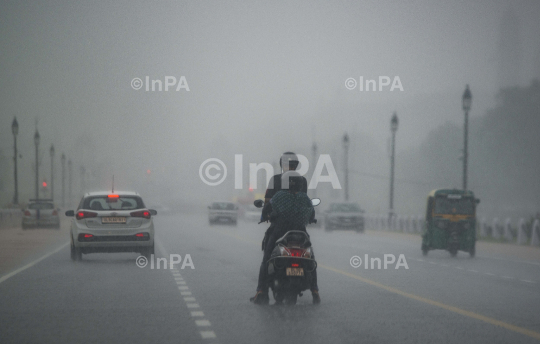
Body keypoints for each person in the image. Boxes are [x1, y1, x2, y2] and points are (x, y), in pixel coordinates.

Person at [250, 171, 320, 305]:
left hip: (279, 231)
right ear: (300, 185)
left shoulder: (279, 196)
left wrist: (265, 217)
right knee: (310, 258)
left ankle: (260, 291)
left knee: (267, 258)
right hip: (301, 232)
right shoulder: (304, 198)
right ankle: (315, 291)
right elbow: (312, 215)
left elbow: (266, 211)